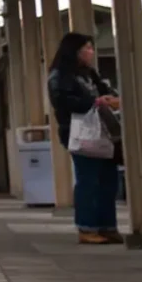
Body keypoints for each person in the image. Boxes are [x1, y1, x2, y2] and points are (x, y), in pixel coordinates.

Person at [48, 33, 123, 244]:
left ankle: (108, 226)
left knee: (109, 180)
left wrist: (110, 99)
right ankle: (87, 227)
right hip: (79, 133)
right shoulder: (60, 76)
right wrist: (95, 101)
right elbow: (62, 102)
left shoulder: (90, 74)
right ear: (74, 51)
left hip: (103, 131)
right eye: (86, 49)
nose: (91, 52)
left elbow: (106, 92)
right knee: (88, 180)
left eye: (91, 48)